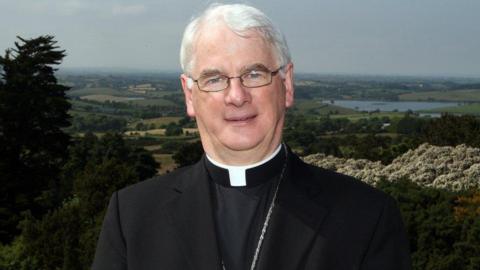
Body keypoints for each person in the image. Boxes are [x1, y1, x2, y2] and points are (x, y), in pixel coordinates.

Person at [92, 3, 412, 270]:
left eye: (254, 74)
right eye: (214, 78)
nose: (236, 95)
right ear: (189, 95)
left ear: (286, 84)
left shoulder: (366, 217)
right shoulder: (132, 217)